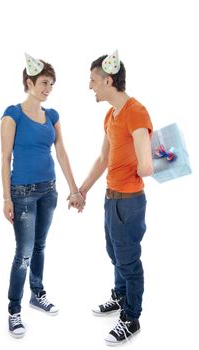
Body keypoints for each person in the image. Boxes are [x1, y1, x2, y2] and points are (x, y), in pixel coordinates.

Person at [1, 53, 84, 338]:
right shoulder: (12, 114)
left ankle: (37, 293)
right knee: (23, 253)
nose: (48, 88)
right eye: (44, 82)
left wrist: (74, 189)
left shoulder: (52, 116)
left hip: (49, 190)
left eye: (51, 84)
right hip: (21, 193)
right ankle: (14, 310)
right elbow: (5, 157)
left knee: (40, 246)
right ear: (29, 82)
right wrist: (6, 198)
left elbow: (61, 152)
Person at [77, 50, 153, 345]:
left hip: (129, 202)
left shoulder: (136, 112)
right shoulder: (111, 114)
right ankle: (121, 297)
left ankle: (131, 318)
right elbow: (103, 158)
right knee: (115, 253)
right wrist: (83, 189)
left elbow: (146, 166)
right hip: (111, 199)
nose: (90, 86)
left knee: (128, 260)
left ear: (108, 80)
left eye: (93, 80)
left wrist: (147, 159)